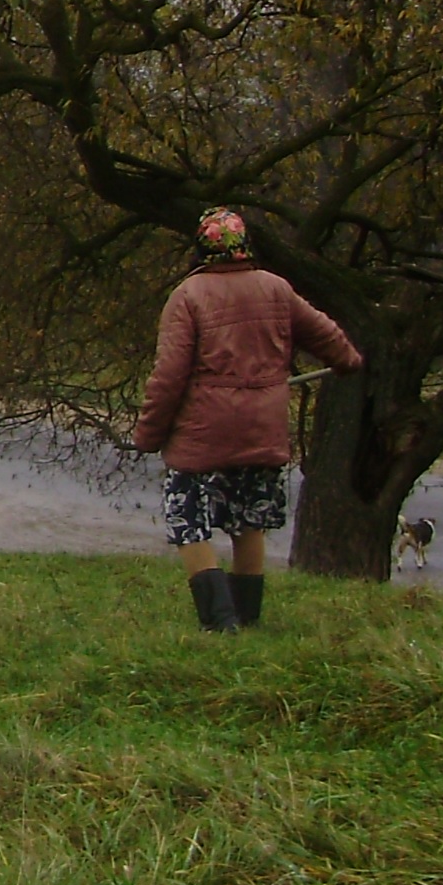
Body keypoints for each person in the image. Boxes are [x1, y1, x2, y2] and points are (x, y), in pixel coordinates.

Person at [133, 207, 363, 632]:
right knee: (248, 517)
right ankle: (248, 618)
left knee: (188, 517)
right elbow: (326, 333)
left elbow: (169, 375)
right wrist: (347, 360)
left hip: (204, 433)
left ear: (201, 249)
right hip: (263, 427)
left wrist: (148, 433)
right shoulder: (276, 288)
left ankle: (220, 623)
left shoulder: (189, 295)